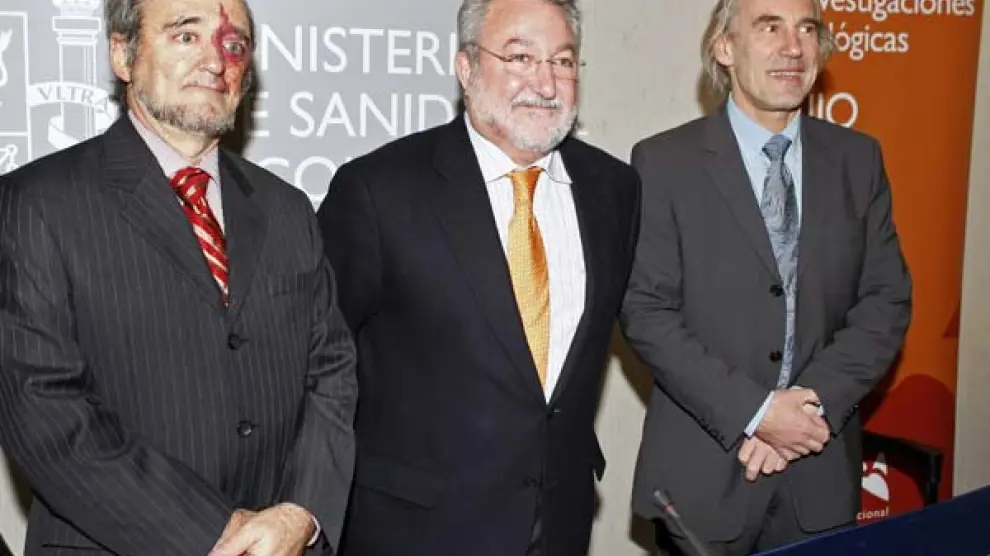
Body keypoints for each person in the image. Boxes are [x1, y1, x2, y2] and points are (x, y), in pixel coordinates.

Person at [0, 0, 357, 555]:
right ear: (123, 54)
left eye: (234, 44)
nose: (215, 60)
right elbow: (44, 412)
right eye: (186, 36)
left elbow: (330, 371)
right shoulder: (37, 203)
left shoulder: (286, 209)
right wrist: (217, 530)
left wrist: (301, 513)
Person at [315, 0, 640, 553]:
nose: (545, 83)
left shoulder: (614, 190)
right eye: (519, 57)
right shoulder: (378, 191)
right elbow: (317, 363)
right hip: (417, 531)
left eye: (562, 61)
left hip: (559, 524)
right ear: (465, 68)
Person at [619, 0, 912, 554]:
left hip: (820, 474)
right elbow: (645, 312)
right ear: (724, 48)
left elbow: (886, 302)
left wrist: (807, 408)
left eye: (806, 29)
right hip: (703, 483)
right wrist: (756, 414)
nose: (793, 47)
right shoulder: (664, 163)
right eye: (769, 27)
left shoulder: (858, 160)